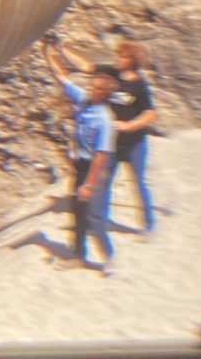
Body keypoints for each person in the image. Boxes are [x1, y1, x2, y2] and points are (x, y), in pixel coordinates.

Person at [53, 36, 157, 235]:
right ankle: (99, 222)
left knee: (139, 183)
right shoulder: (111, 73)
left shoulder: (140, 86)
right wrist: (62, 50)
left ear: (131, 61)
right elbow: (85, 66)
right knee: (104, 183)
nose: (117, 59)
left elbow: (151, 114)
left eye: (122, 56)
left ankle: (148, 225)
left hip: (135, 144)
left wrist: (128, 126)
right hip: (112, 144)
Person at [43, 38, 116, 274]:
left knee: (93, 215)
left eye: (95, 88)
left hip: (93, 168)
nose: (90, 89)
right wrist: (48, 53)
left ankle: (108, 257)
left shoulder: (104, 119)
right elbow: (62, 77)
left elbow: (102, 156)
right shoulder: (83, 100)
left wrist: (89, 184)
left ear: (103, 94)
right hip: (80, 164)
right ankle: (78, 256)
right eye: (91, 86)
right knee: (78, 211)